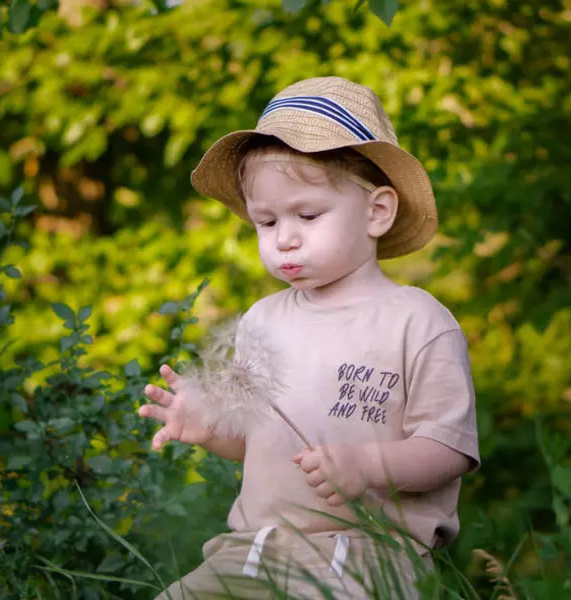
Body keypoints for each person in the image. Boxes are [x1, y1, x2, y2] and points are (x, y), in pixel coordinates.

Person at [138, 76, 480, 599]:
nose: (285, 238)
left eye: (308, 214)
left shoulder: (417, 321)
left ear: (377, 211)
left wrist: (367, 466)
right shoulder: (261, 320)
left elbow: (449, 449)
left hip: (369, 558)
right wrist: (208, 426)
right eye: (266, 222)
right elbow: (256, 438)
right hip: (253, 550)